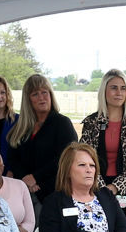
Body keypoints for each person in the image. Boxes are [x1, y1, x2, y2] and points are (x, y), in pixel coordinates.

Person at [78, 68, 126, 221]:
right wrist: (102, 188)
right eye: (114, 88)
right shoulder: (91, 123)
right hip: (95, 190)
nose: (119, 92)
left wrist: (117, 186)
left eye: (123, 88)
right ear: (104, 91)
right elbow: (82, 158)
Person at [5, 73, 76, 201]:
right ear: (28, 100)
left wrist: (35, 178)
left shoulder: (62, 123)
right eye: (35, 94)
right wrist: (26, 178)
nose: (41, 98)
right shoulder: (21, 126)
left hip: (54, 193)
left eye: (44, 92)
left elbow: (66, 158)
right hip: (23, 192)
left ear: (50, 95)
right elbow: (13, 158)